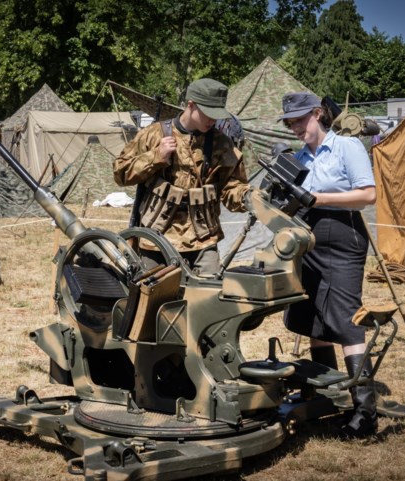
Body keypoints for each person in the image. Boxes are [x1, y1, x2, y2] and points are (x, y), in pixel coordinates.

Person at [278, 91, 378, 438]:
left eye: (299, 120)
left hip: (343, 236)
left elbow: (368, 194)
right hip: (309, 236)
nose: (294, 127)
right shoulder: (300, 156)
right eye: (289, 122)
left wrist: (319, 198)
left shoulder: (347, 147)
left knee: (346, 318)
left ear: (318, 114)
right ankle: (327, 397)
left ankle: (365, 411)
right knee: (314, 318)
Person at [113, 78, 250, 276]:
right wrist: (155, 156)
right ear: (191, 105)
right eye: (208, 114)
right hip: (156, 238)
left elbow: (232, 188)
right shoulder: (153, 135)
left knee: (209, 299)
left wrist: (249, 197)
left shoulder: (222, 144)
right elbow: (120, 173)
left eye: (217, 115)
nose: (213, 121)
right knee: (152, 300)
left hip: (204, 239)